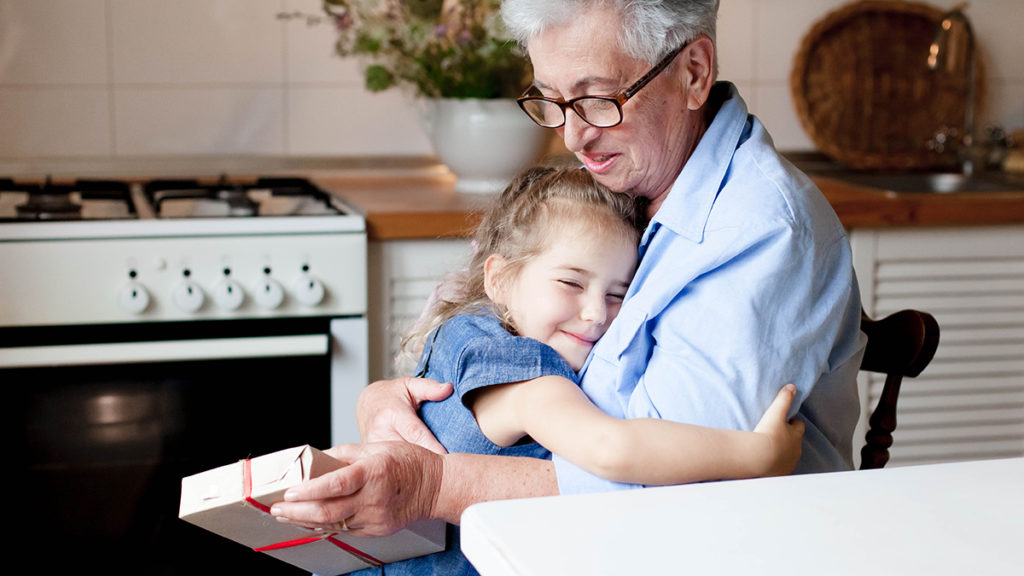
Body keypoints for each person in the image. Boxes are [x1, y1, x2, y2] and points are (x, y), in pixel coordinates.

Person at [273, 0, 864, 562]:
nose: (572, 136)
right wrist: (393, 397)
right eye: (550, 99)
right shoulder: (617, 182)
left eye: (597, 98)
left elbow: (670, 490)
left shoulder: (760, 228)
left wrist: (433, 485)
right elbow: (480, 312)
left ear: (693, 72)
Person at [338, 164, 804, 574]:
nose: (596, 313)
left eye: (617, 293)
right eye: (571, 282)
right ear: (498, 278)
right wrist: (757, 456)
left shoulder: (468, 330)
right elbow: (610, 447)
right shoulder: (521, 369)